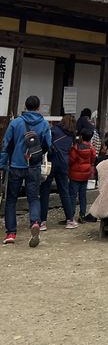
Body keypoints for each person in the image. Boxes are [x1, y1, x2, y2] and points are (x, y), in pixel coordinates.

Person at [1, 96, 52, 247]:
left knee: (11, 200)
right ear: (38, 107)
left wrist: (2, 165)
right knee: (34, 198)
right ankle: (35, 223)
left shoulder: (15, 122)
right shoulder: (44, 124)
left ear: (25, 106)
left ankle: (11, 233)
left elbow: (6, 145)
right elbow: (48, 145)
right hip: (34, 166)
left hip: (16, 165)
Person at [39, 113, 76, 231]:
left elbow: (46, 144)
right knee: (64, 191)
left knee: (45, 191)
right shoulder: (71, 135)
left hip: (51, 162)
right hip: (64, 164)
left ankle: (42, 222)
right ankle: (70, 220)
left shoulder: (54, 130)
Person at [69, 128, 97, 223]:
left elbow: (71, 160)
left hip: (75, 174)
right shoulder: (91, 148)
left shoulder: (76, 147)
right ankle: (82, 215)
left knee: (72, 196)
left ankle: (71, 215)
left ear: (81, 136)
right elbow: (93, 160)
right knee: (83, 195)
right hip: (86, 174)